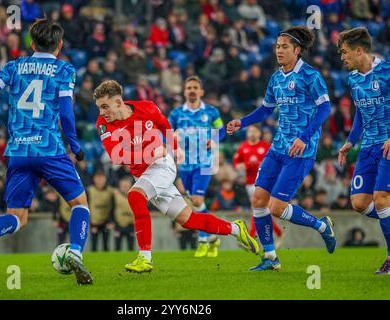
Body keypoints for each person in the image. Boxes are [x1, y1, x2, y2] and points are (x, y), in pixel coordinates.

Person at [0, 19, 92, 285]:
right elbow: (66, 112)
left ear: (31, 43)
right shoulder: (64, 69)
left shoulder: (13, 66)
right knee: (79, 203)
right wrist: (74, 145)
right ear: (59, 45)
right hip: (49, 148)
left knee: (17, 217)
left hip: (19, 150)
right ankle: (75, 253)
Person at [94, 79, 259, 273]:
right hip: (145, 174)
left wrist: (174, 148)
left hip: (162, 166)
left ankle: (144, 258)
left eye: (105, 106)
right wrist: (150, 153)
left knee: (135, 196)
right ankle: (236, 229)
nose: (102, 112)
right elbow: (116, 156)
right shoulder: (103, 123)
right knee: (188, 220)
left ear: (119, 102)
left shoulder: (146, 108)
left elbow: (164, 125)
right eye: (99, 108)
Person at [227, 26, 337, 271]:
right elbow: (266, 109)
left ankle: (322, 226)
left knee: (276, 207)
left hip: (301, 151)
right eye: (277, 46)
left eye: (284, 46)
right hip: (278, 148)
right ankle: (270, 257)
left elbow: (325, 109)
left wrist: (305, 137)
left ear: (297, 50)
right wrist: (241, 122)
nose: (279, 50)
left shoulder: (310, 75)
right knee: (258, 199)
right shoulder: (276, 78)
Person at [337, 27, 390, 275]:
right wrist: (351, 140)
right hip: (368, 146)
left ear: (360, 51)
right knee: (359, 202)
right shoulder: (354, 78)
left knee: (381, 199)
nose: (342, 58)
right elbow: (360, 111)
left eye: (345, 52)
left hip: (387, 144)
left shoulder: (387, 71)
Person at [168, 75, 226, 258]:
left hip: (204, 163)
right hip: (185, 165)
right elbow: (167, 133)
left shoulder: (211, 112)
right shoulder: (176, 114)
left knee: (197, 200)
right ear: (185, 92)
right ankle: (213, 238)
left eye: (195, 87)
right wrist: (173, 144)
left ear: (201, 91)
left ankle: (202, 240)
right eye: (188, 88)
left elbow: (222, 131)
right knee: (195, 203)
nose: (192, 90)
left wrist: (214, 139)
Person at [233, 125, 283, 241]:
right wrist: (243, 166)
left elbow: (273, 163)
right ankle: (278, 233)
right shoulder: (242, 147)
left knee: (257, 209)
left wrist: (249, 165)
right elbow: (236, 163)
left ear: (259, 133)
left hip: (265, 183)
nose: (252, 133)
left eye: (254, 131)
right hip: (249, 183)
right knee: (262, 210)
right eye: (250, 131)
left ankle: (251, 236)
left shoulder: (266, 147)